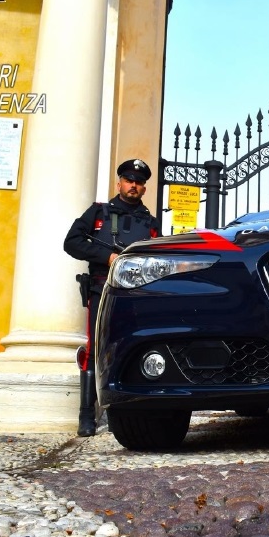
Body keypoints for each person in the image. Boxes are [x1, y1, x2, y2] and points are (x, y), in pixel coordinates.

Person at [64, 159, 160, 436]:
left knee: (135, 347)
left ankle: (132, 409)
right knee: (94, 350)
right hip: (101, 290)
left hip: (137, 295)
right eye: (129, 180)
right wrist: (107, 256)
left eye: (139, 182)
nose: (134, 186)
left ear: (143, 188)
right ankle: (87, 416)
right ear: (119, 183)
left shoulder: (151, 224)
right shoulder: (98, 213)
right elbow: (72, 242)